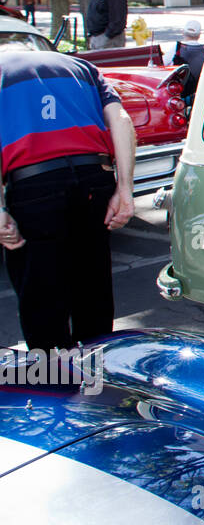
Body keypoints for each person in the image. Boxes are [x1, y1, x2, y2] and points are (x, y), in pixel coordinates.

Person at [0, 51, 136, 351]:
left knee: (42, 298)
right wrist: (125, 188)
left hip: (34, 183)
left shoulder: (3, 71)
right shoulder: (83, 67)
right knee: (93, 288)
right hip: (94, 176)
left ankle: (55, 385)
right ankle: (98, 376)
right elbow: (120, 119)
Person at [169, 19, 204, 99]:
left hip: (179, 92)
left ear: (183, 32)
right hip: (200, 92)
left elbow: (163, 64)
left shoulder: (177, 48)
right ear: (199, 35)